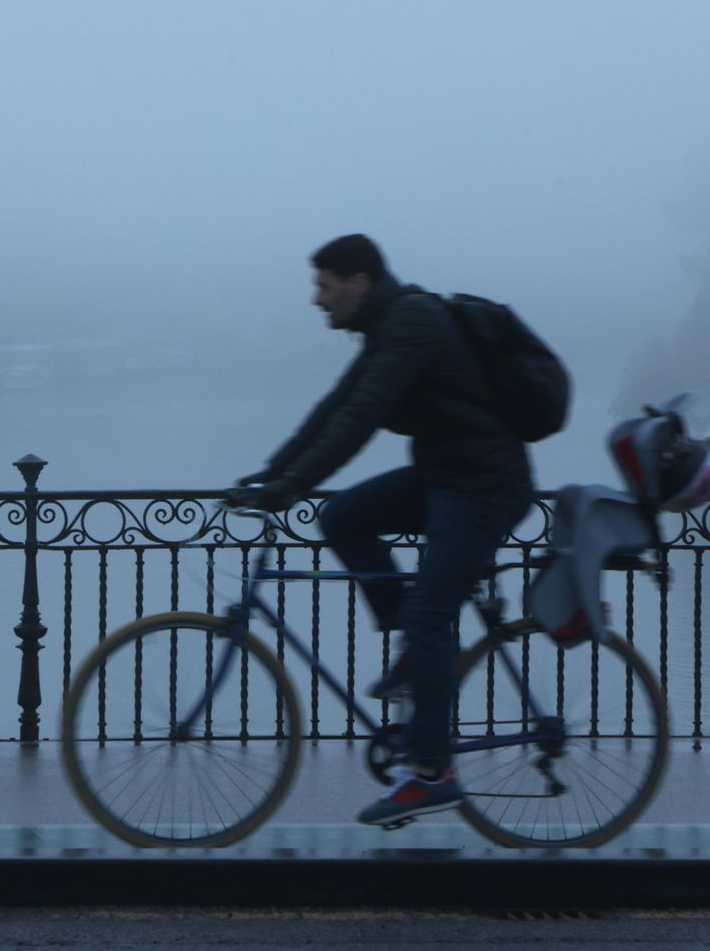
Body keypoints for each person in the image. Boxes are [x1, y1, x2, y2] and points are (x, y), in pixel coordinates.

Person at [224, 234, 534, 827]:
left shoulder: (412, 322)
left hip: (485, 488)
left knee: (431, 616)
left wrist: (290, 486)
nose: (317, 299)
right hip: (447, 479)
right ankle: (414, 651)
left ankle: (431, 774)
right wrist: (270, 474)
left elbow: (360, 419)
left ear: (358, 283)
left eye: (324, 285)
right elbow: (334, 408)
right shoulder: (388, 327)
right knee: (343, 516)